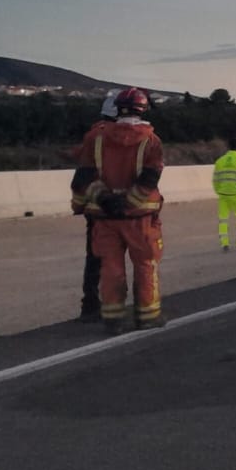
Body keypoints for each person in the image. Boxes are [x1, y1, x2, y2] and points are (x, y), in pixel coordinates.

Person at [69, 86, 165, 334]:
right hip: (139, 217)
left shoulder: (95, 138)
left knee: (110, 267)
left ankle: (113, 319)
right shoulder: (151, 141)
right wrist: (129, 202)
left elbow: (84, 175)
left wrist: (103, 200)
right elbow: (150, 177)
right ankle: (148, 316)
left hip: (104, 217)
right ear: (143, 109)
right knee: (145, 265)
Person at [75, 90, 118, 319]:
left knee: (94, 257)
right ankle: (119, 308)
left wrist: (80, 205)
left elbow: (81, 176)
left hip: (95, 209)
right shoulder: (125, 136)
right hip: (117, 209)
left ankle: (90, 304)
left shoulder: (92, 135)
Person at [212, 136, 236, 251]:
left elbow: (215, 179)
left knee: (223, 219)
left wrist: (219, 191)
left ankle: (224, 243)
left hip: (223, 195)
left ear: (227, 146)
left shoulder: (220, 161)